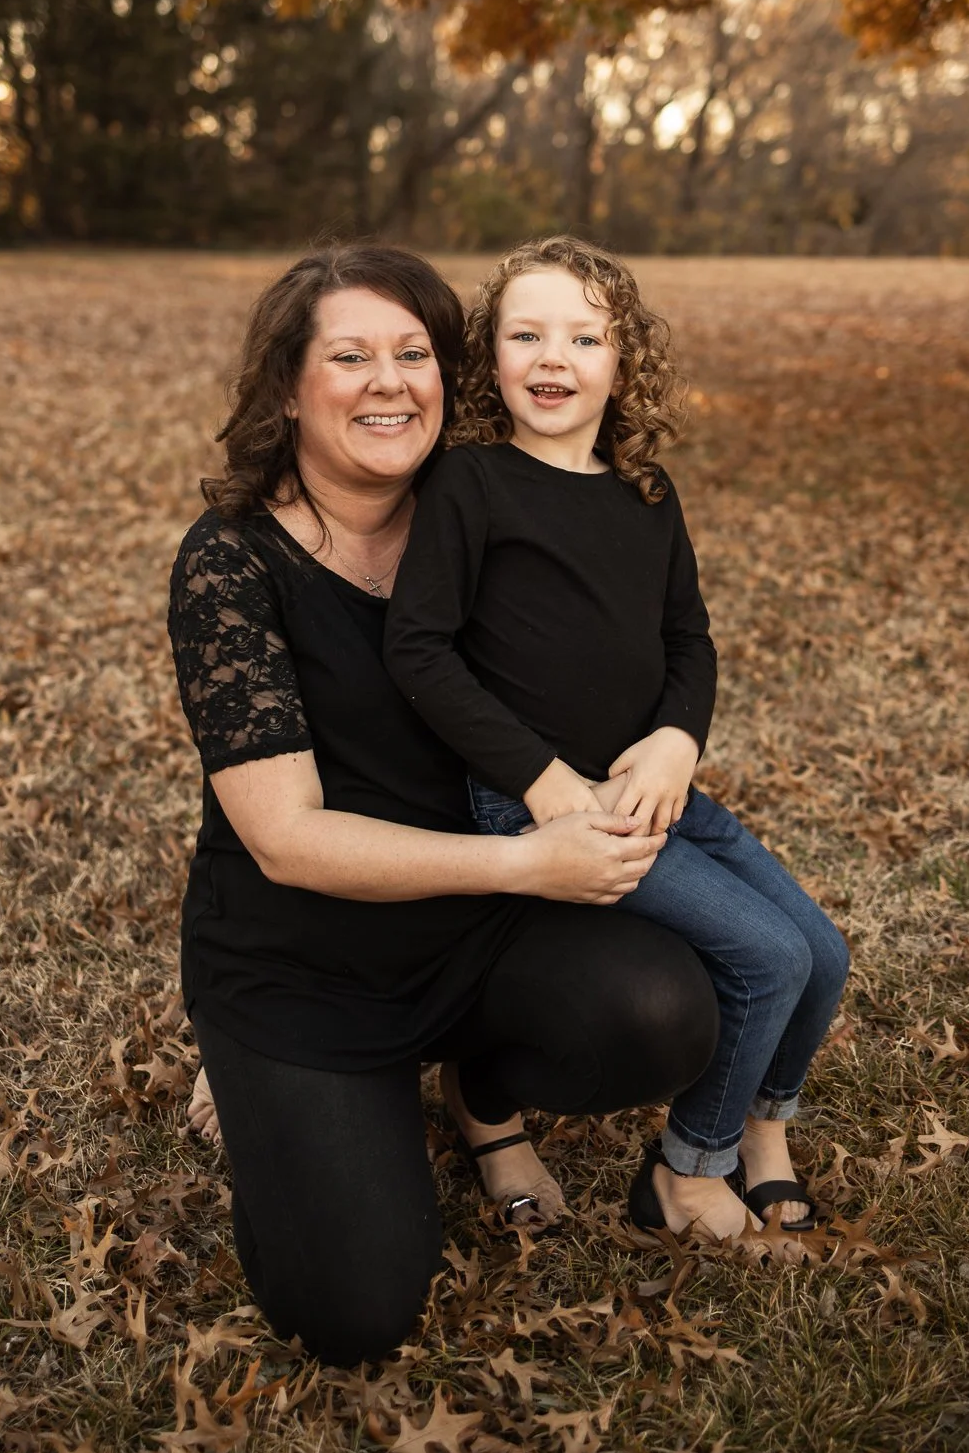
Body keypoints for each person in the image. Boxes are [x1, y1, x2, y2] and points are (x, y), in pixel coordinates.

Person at [167, 243, 720, 1366]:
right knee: (355, 1311)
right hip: (308, 959)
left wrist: (673, 731)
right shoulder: (231, 563)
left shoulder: (488, 505)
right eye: (350, 357)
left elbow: (650, 638)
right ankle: (259, 1076)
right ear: (287, 388)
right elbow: (285, 838)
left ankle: (478, 1086)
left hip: (478, 932)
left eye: (414, 353)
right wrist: (526, 863)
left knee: (663, 1012)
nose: (389, 382)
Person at [384, 236, 850, 1243]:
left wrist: (680, 737)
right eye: (526, 335)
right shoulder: (472, 484)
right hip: (544, 803)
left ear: (623, 360)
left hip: (654, 788)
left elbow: (689, 639)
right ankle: (687, 1171)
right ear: (491, 357)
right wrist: (541, 780)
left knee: (821, 951)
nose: (553, 357)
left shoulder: (646, 491)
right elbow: (419, 651)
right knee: (767, 957)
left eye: (584, 337)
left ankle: (762, 1130)